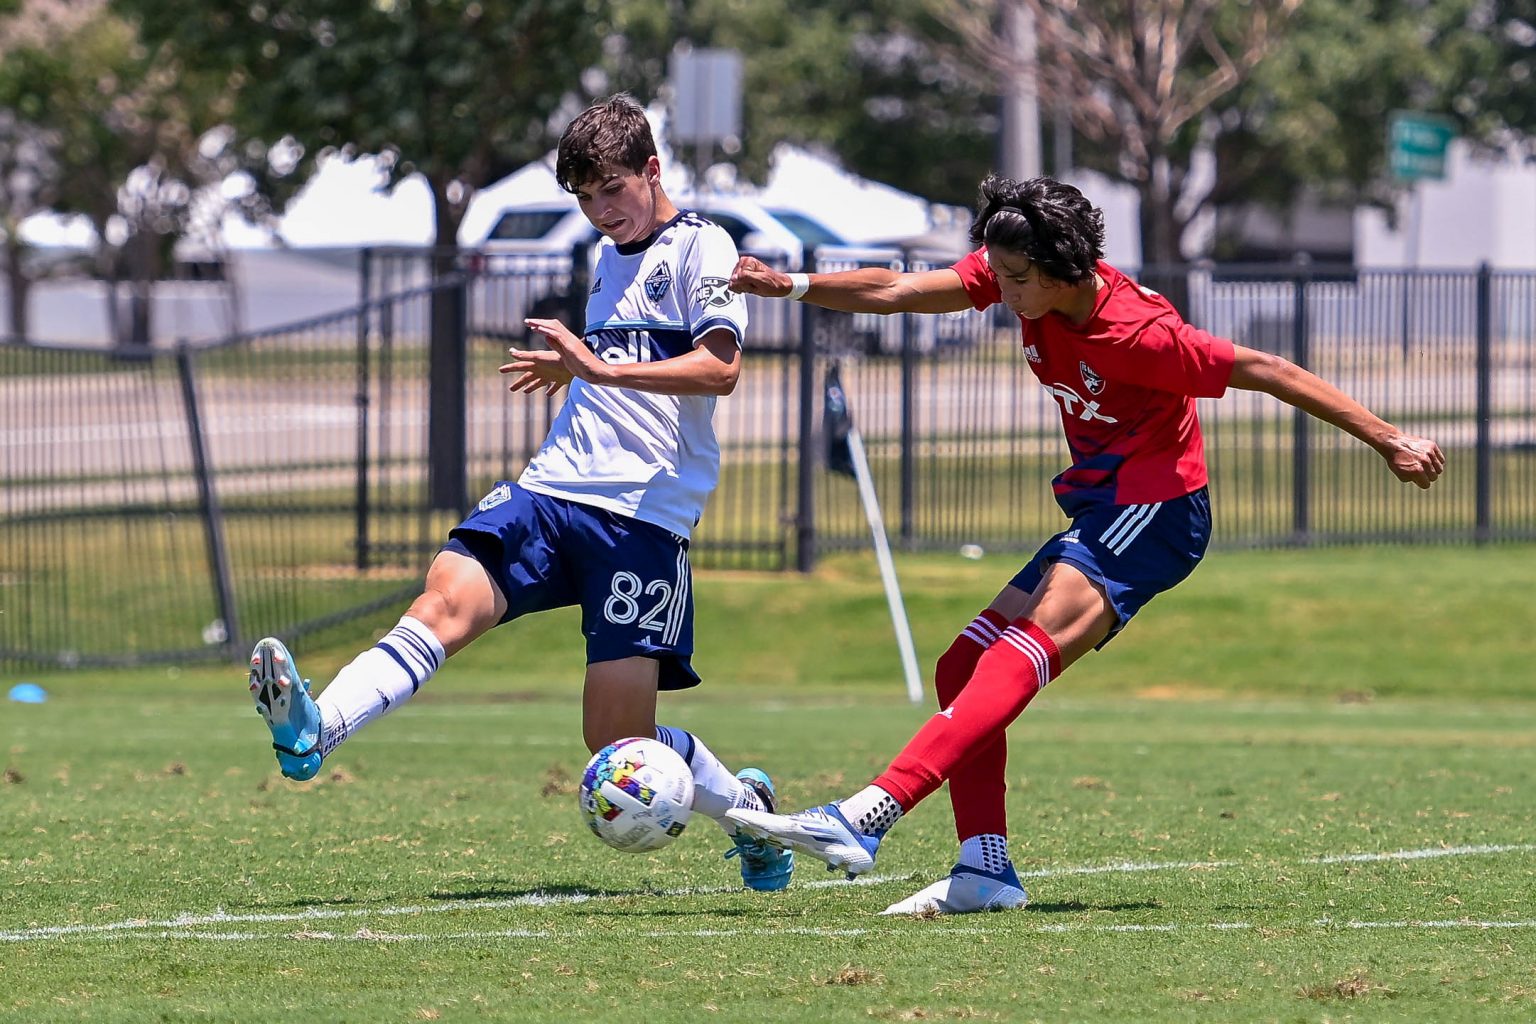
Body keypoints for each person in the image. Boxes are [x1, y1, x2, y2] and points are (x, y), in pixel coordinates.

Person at [723, 174, 1443, 914]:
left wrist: (1389, 440)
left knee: (1015, 653)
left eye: (1017, 280)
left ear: (1065, 268)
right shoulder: (1017, 270)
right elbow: (903, 292)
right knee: (962, 663)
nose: (1002, 293)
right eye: (996, 274)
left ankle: (867, 815)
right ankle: (985, 870)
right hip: (1104, 506)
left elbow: (1270, 370)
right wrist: (795, 285)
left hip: (1156, 511)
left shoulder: (1139, 332)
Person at [246, 94, 793, 892]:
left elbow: (721, 368)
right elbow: (610, 361)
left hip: (642, 519)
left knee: (618, 752)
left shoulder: (702, 247)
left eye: (612, 189)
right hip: (552, 488)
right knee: (443, 599)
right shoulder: (609, 257)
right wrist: (579, 371)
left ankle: (748, 810)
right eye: (585, 198)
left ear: (652, 171)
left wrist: (600, 368)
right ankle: (315, 731)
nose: (601, 212)